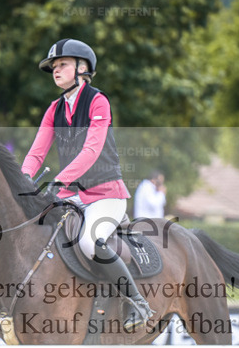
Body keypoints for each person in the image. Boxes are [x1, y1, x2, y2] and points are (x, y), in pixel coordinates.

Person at [21, 38, 154, 332]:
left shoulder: (98, 101)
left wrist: (59, 180)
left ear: (82, 69)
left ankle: (138, 303)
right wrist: (23, 179)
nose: (56, 70)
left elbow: (91, 151)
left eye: (63, 64)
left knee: (89, 243)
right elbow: (36, 152)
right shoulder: (54, 109)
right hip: (72, 196)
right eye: (53, 66)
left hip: (106, 194)